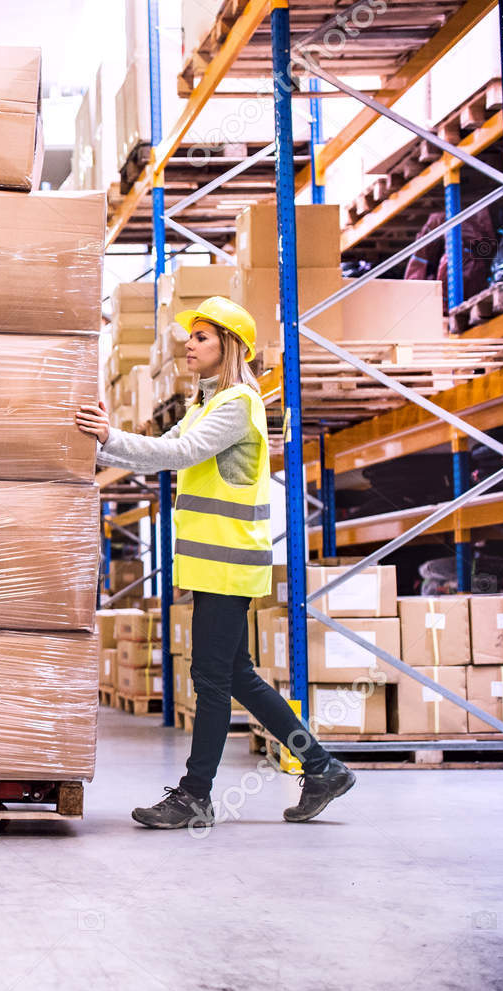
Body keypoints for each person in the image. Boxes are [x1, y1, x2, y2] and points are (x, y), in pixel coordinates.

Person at [75, 296, 356, 829]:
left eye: (201, 337)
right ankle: (322, 768)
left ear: (228, 345)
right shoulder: (205, 405)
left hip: (228, 562)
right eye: (190, 336)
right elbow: (160, 447)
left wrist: (108, 438)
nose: (189, 343)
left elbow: (180, 455)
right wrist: (98, 446)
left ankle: (194, 795)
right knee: (236, 676)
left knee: (210, 679)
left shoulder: (238, 403)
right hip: (212, 562)